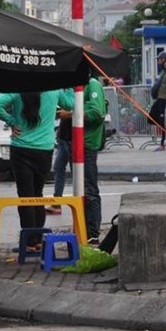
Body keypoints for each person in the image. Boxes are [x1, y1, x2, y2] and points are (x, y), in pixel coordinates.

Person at [0, 90, 61, 252]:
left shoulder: (17, 88)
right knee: (38, 194)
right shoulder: (54, 89)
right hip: (45, 150)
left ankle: (30, 241)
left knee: (25, 197)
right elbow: (71, 103)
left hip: (21, 149)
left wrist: (11, 121)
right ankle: (37, 239)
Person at [54, 77, 107, 245]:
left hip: (87, 145)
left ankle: (92, 233)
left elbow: (97, 113)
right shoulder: (72, 87)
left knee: (89, 189)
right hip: (73, 143)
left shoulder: (92, 85)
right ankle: (82, 229)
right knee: (79, 189)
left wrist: (70, 114)